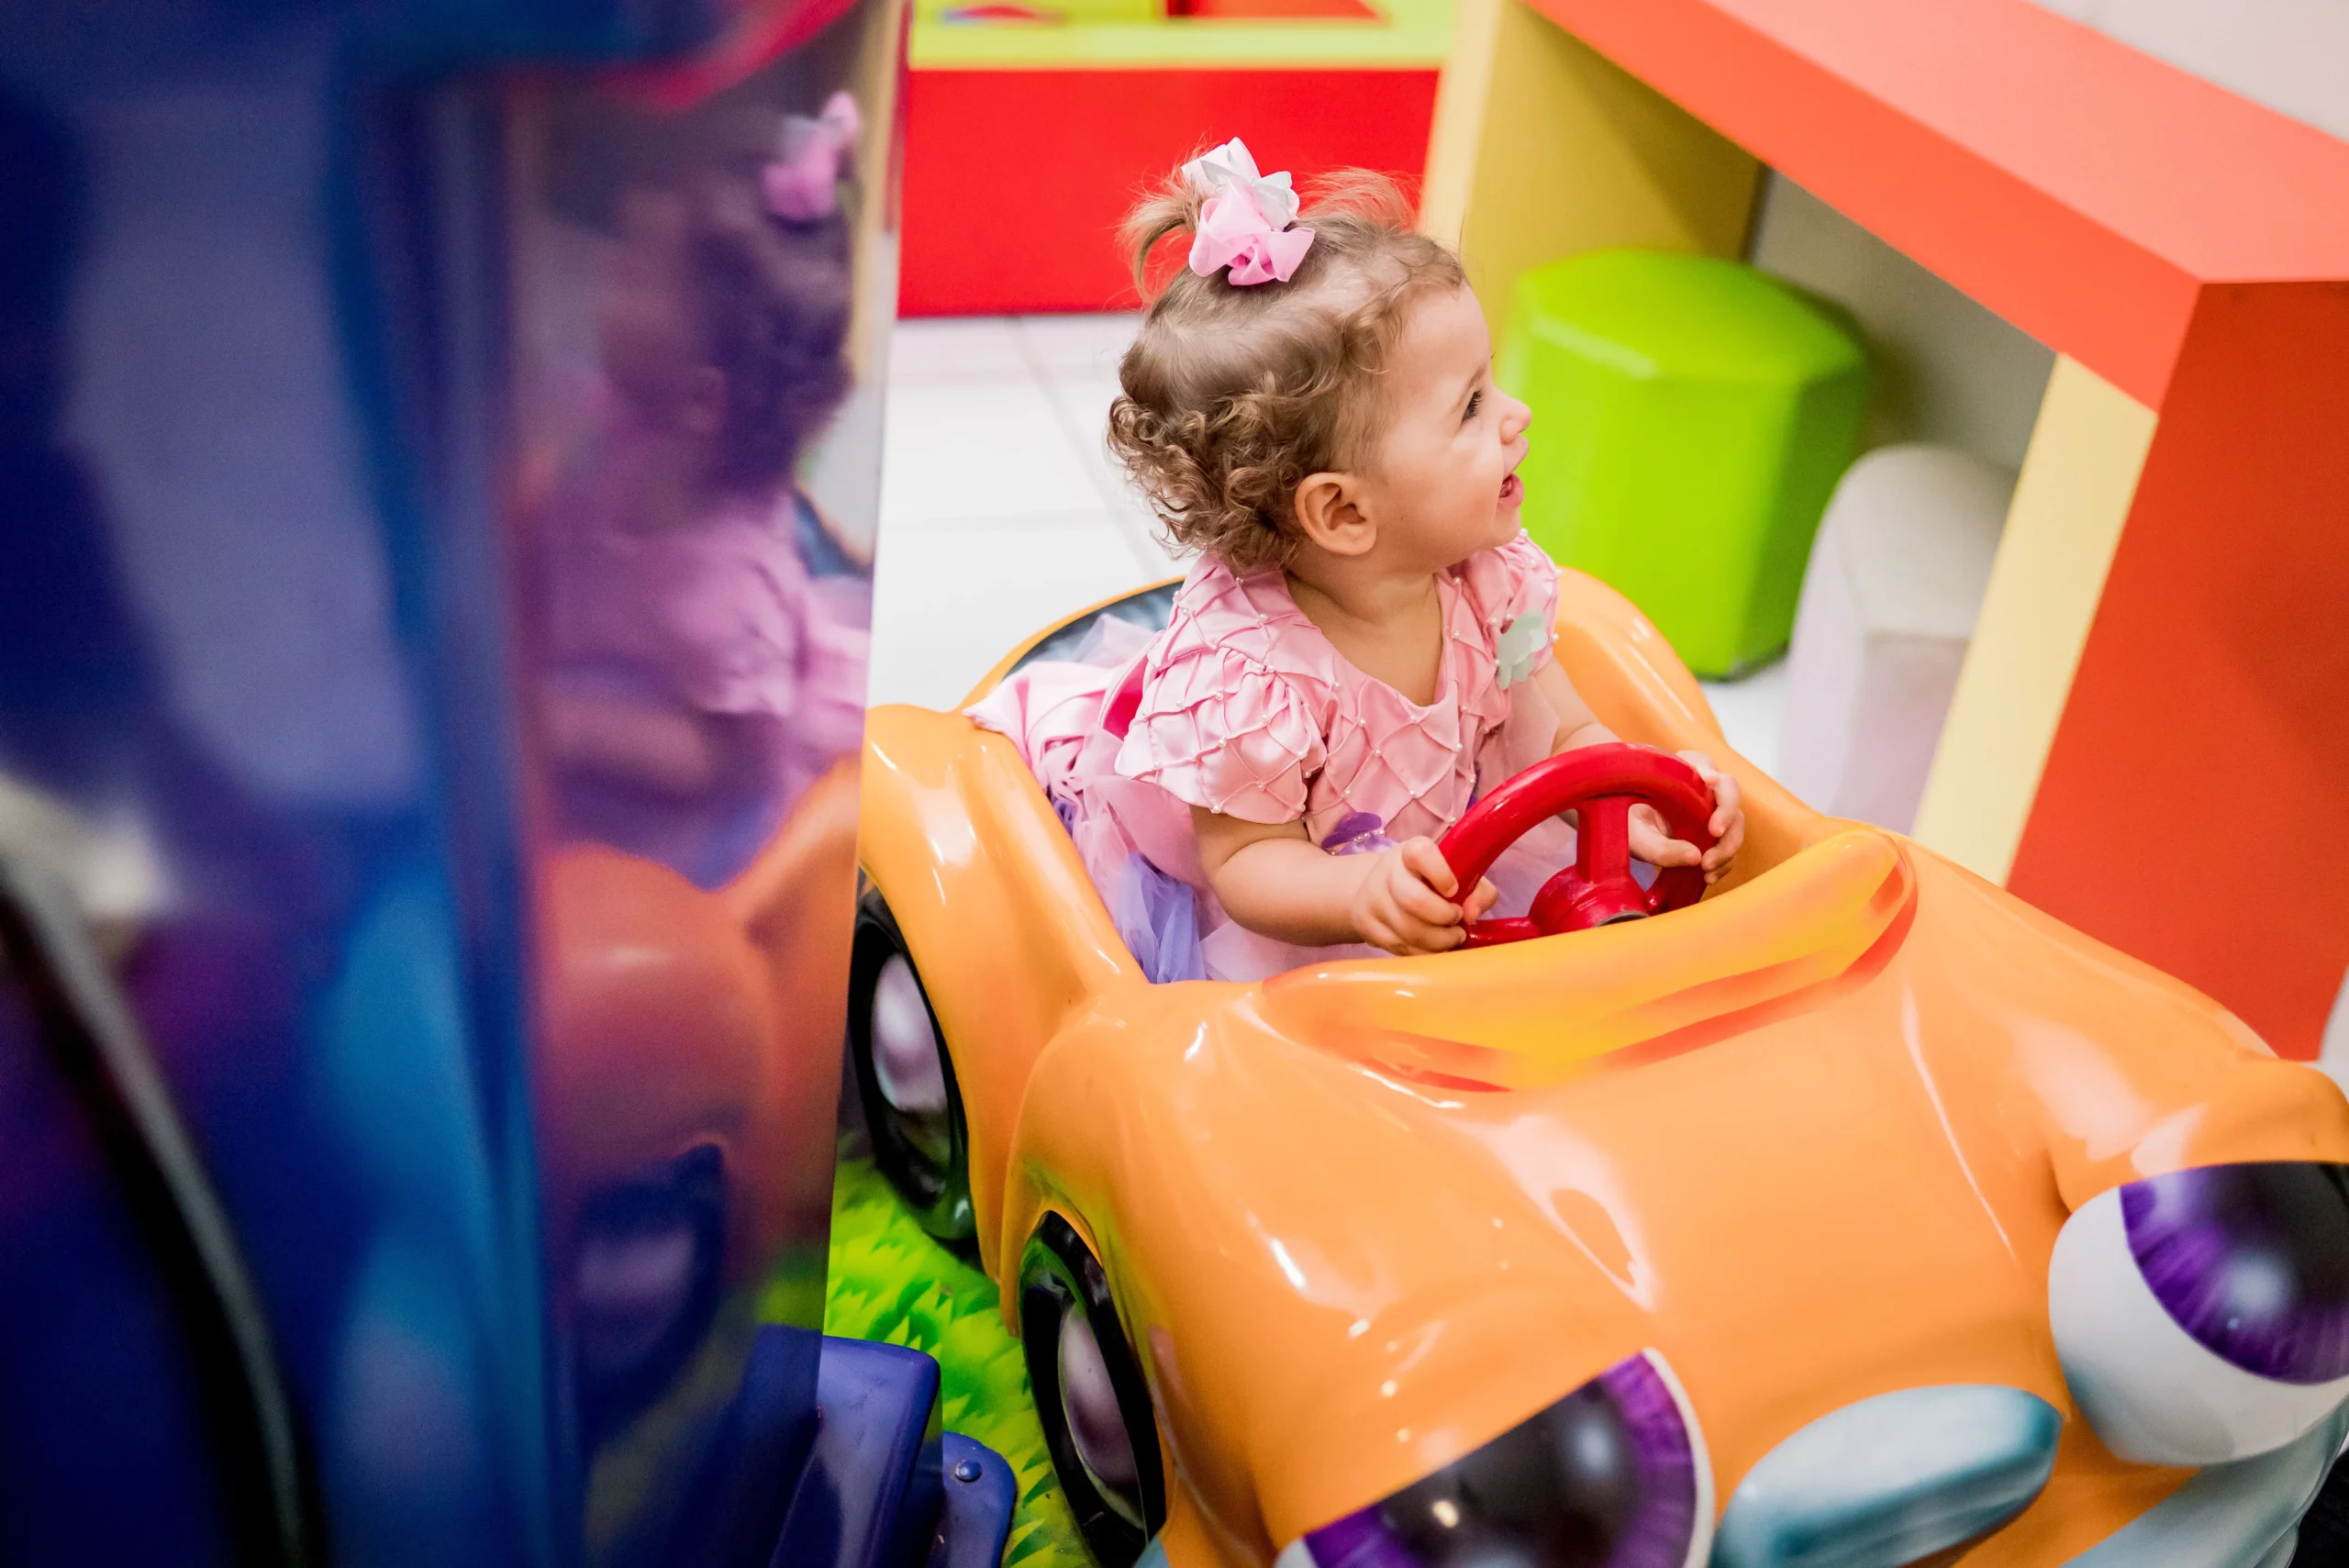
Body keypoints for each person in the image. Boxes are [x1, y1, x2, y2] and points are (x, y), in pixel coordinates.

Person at [972, 139, 1745, 982]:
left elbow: (1557, 731)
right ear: (1344, 511)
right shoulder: (1249, 683)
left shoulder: (1493, 581)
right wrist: (1358, 894)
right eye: (1471, 406)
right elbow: (1246, 865)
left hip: (1439, 870)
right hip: (1303, 917)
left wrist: (1632, 804)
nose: (1517, 414)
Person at [527, 96, 871, 889]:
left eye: (639, 271)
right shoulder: (626, 419)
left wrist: (570, 727)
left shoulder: (729, 593)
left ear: (700, 399)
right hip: (604, 672)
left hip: (698, 820)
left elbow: (719, 757)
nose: (607, 271)